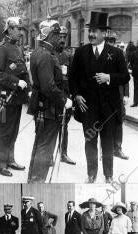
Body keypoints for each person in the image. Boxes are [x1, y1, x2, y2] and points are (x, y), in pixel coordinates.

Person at [69, 11, 130, 183]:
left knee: (108, 142)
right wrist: (76, 95)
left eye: (95, 31)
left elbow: (125, 77)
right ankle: (91, 174)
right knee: (90, 141)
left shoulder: (116, 53)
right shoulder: (81, 52)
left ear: (105, 33)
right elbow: (72, 78)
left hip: (109, 108)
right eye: (90, 30)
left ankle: (109, 175)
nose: (91, 34)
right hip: (88, 107)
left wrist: (109, 77)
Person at [27, 18, 73, 183]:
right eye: (55, 34)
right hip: (48, 108)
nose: (58, 37)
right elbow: (48, 86)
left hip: (42, 106)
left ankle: (33, 179)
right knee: (46, 147)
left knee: (40, 144)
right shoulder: (47, 56)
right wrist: (64, 100)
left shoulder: (39, 52)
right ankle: (37, 180)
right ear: (49, 36)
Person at [0, 17, 30, 177]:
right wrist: (15, 82)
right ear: (9, 29)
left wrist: (28, 88)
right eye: (18, 29)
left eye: (21, 29)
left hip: (17, 97)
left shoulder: (18, 48)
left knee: (13, 130)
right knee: (4, 131)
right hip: (5, 97)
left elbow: (23, 71)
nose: (21, 32)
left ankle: (10, 159)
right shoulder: (1, 48)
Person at [105, 33, 129, 160]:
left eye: (113, 41)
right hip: (104, 94)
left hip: (118, 94)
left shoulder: (120, 55)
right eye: (108, 41)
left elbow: (125, 76)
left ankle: (117, 148)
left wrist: (126, 94)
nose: (111, 43)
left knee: (119, 121)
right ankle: (106, 149)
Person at [55, 26, 76, 165]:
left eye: (64, 37)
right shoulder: (49, 54)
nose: (62, 40)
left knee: (64, 126)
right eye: (60, 37)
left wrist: (72, 95)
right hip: (51, 95)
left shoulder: (68, 56)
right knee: (48, 127)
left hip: (65, 95)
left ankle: (63, 153)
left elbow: (73, 76)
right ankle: (48, 156)